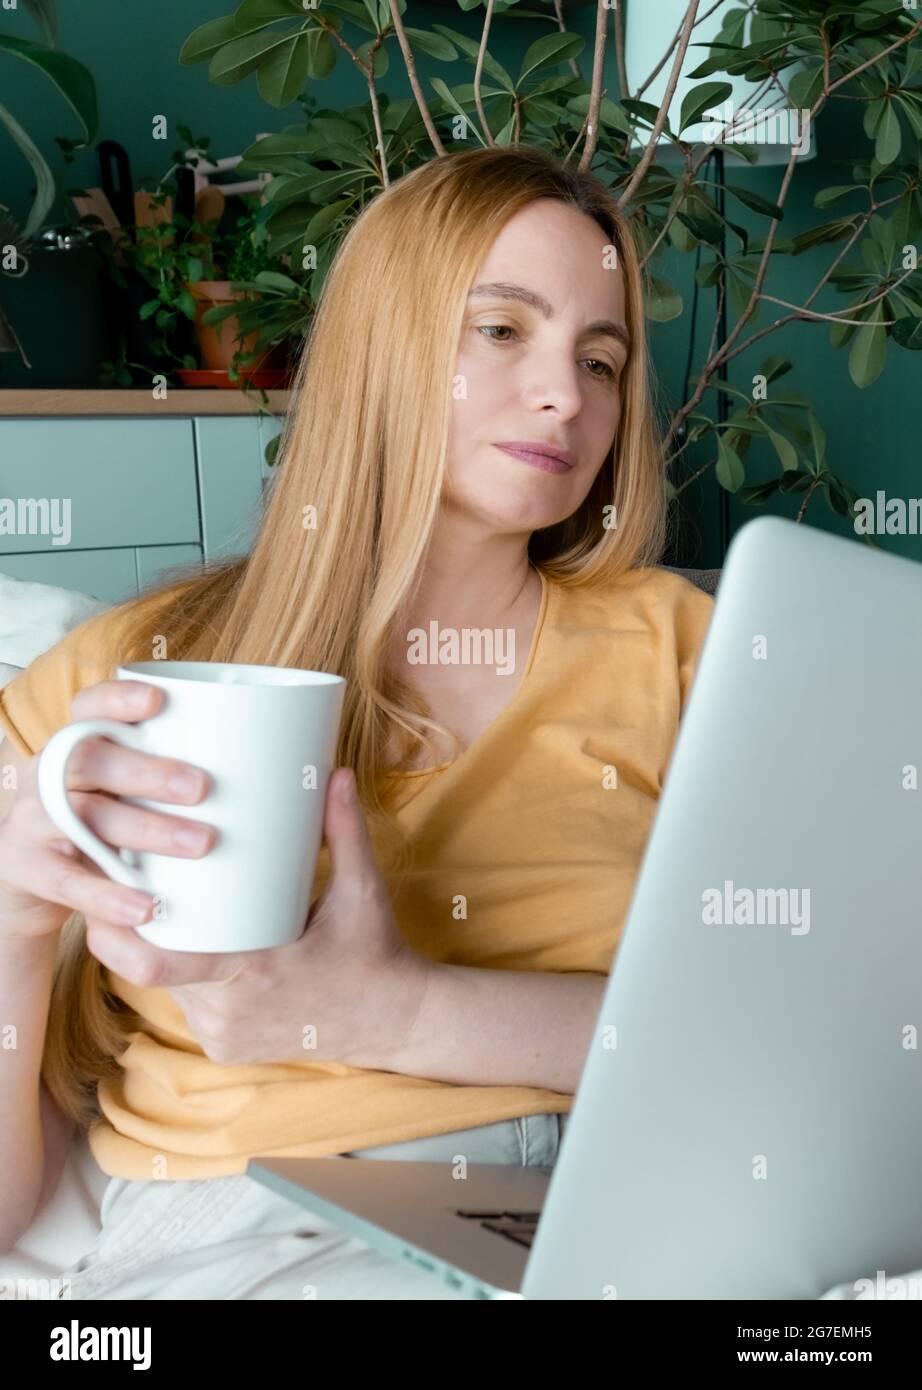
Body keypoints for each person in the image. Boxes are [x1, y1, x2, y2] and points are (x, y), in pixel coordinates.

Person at [0, 145, 714, 1299]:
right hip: (245, 1221)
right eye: (500, 330)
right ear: (383, 344)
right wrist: (14, 921)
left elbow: (786, 1040)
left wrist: (394, 1011)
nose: (564, 395)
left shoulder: (687, 651)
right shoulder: (130, 675)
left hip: (599, 1205)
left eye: (601, 358)